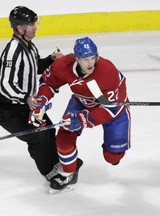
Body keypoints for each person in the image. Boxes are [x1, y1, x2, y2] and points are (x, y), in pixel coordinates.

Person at [29, 36, 131, 193]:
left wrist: (85, 119)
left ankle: (111, 149)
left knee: (113, 157)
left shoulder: (107, 71)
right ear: (76, 58)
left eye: (93, 58)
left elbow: (110, 109)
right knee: (64, 137)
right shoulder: (63, 65)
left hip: (113, 110)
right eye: (85, 59)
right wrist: (41, 101)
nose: (91, 63)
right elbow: (48, 82)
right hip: (81, 101)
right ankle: (69, 172)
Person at [0, 6, 64, 181]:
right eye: (31, 24)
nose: (35, 28)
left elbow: (35, 67)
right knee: (40, 137)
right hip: (8, 110)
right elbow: (5, 85)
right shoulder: (13, 51)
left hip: (27, 105)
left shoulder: (30, 47)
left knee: (50, 131)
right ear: (20, 28)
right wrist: (25, 98)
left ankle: (57, 164)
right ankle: (49, 172)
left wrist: (50, 60)